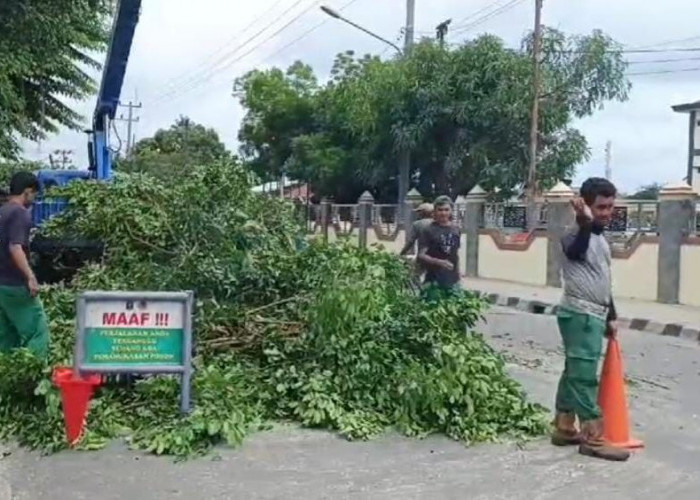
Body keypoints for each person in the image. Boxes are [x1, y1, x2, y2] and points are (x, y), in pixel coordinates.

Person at [551, 177, 629, 462]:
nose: (607, 212)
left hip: (594, 314)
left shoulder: (599, 238)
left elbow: (602, 282)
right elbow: (575, 251)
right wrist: (584, 221)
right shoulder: (574, 235)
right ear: (585, 206)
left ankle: (563, 426)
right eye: (601, 207)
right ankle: (593, 438)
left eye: (610, 207)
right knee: (584, 376)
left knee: (573, 370)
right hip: (580, 315)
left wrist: (612, 315)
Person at [0, 171, 49, 360]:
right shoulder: (20, 214)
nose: (34, 199)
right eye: (34, 194)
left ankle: (8, 381)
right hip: (15, 285)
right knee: (37, 331)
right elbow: (15, 247)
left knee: (6, 337)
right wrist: (30, 276)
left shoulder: (2, 212)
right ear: (27, 192)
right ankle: (33, 379)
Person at [417, 196, 461, 299]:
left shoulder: (456, 229)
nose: (443, 213)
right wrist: (440, 262)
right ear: (435, 211)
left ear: (451, 211)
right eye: (440, 210)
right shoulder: (428, 230)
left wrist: (458, 275)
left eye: (446, 210)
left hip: (452, 280)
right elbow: (421, 255)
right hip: (433, 280)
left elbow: (455, 254)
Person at [400, 203, 434, 281]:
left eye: (419, 212)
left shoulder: (417, 224)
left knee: (414, 277)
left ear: (423, 213)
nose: (418, 214)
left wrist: (402, 253)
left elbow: (411, 241)